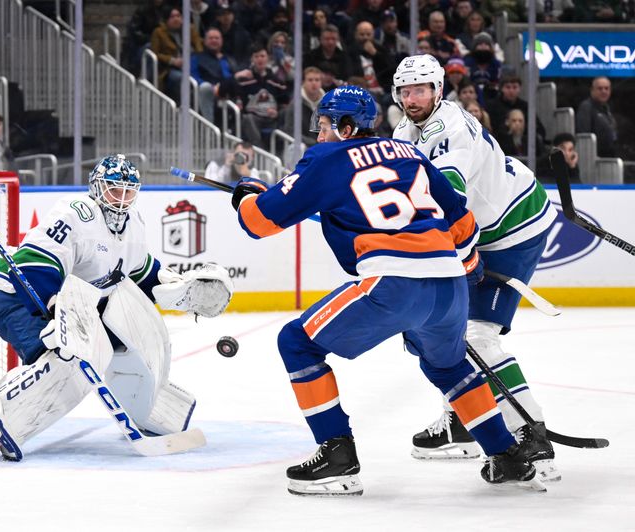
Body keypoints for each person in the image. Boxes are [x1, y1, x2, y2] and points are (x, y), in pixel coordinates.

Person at [230, 85, 543, 496]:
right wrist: (466, 268)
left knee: (297, 342)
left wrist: (247, 196)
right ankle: (506, 455)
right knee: (448, 367)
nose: (318, 135)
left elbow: (259, 223)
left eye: (323, 126)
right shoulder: (411, 153)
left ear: (345, 127)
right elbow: (462, 223)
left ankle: (336, 456)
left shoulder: (327, 158)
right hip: (450, 286)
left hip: (393, 283)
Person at [0, 154, 233, 461]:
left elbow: (141, 273)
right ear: (96, 188)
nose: (121, 199)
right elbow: (36, 266)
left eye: (128, 191)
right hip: (17, 296)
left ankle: (145, 410)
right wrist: (55, 313)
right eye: (114, 189)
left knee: (123, 342)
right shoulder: (75, 214)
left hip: (75, 306)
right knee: (65, 359)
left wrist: (179, 289)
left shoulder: (134, 225)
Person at [391, 55, 559, 483]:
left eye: (421, 90)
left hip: (512, 229)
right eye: (405, 91)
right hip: (478, 229)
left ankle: (530, 433)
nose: (413, 99)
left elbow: (448, 200)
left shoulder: (449, 131)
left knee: (474, 335)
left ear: (438, 90)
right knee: (443, 331)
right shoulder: (403, 131)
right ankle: (464, 420)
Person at [576, 77, 618, 158]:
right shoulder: (586, 107)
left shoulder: (606, 108)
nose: (604, 91)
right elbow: (584, 135)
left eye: (606, 88)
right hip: (595, 159)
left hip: (609, 157)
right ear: (592, 90)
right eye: (600, 88)